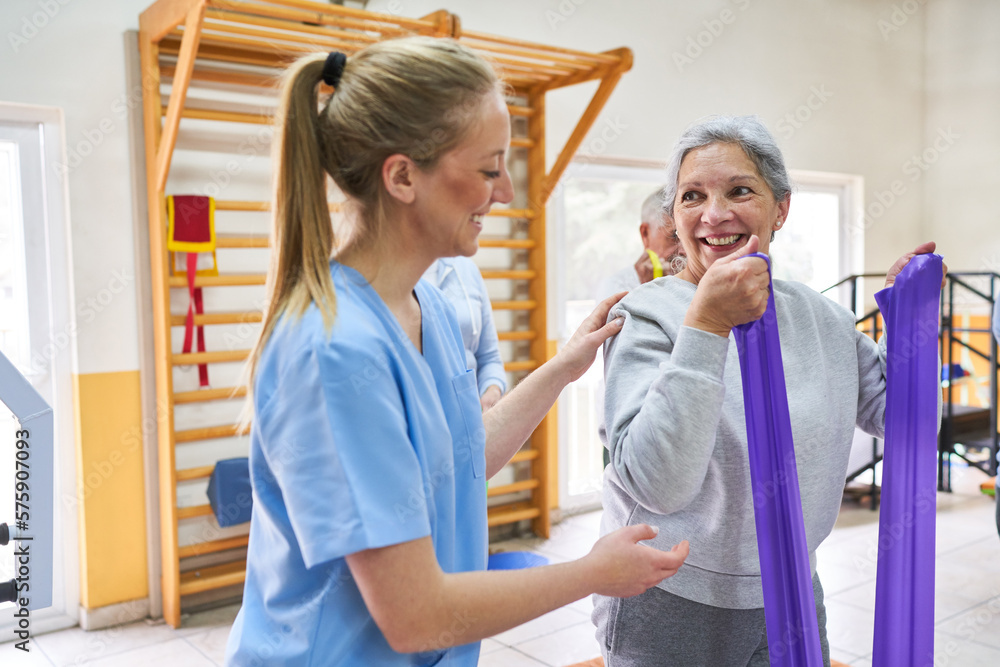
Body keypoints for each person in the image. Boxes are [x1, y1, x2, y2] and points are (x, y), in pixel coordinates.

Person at [224, 38, 689, 666]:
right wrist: (591, 573)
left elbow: (463, 458)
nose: (503, 194)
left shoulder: (429, 308)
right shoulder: (333, 352)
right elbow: (415, 616)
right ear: (402, 176)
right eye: (489, 168)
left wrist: (562, 368)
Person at [593, 115, 940, 666]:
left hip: (795, 590)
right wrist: (707, 324)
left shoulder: (823, 318)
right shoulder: (645, 318)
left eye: (739, 190)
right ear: (675, 217)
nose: (714, 214)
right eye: (692, 196)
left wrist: (910, 326)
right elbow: (658, 483)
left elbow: (903, 420)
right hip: (670, 597)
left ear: (780, 208)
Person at [423, 256, 505, 410]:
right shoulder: (393, 275)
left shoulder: (466, 269)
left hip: (469, 415)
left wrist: (492, 388)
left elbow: (489, 358)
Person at [595, 187, 686, 301]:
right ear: (645, 234)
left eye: (688, 236)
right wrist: (648, 289)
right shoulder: (616, 287)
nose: (685, 249)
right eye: (674, 236)